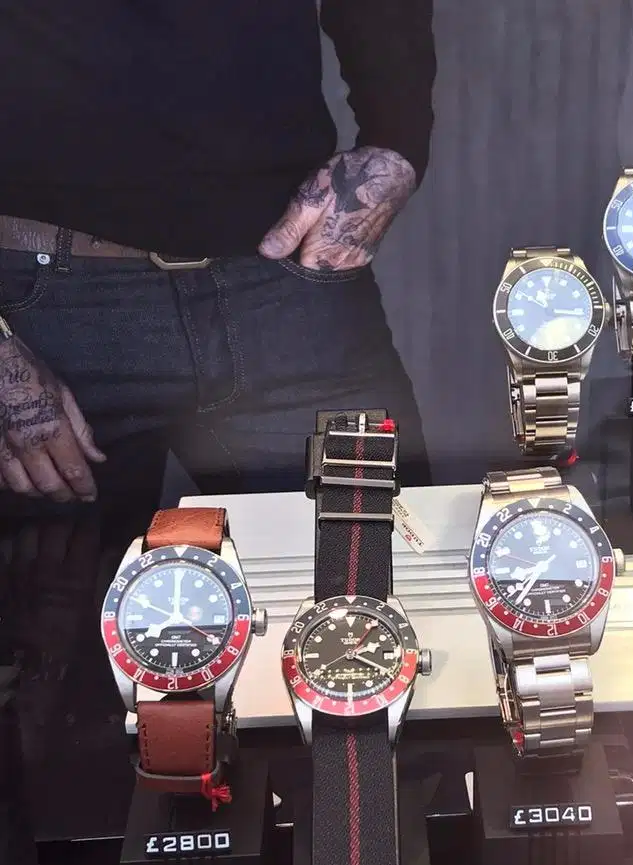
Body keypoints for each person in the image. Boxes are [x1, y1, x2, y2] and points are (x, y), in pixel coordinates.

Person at [0, 0, 436, 505]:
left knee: (371, 547)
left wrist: (395, 141)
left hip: (289, 296)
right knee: (51, 557)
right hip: (41, 314)